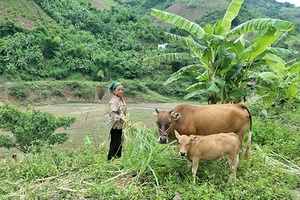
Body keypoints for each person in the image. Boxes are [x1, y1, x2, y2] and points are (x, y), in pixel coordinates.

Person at [107, 82, 127, 161]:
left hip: (120, 126)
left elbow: (124, 112)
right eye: (118, 89)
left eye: (122, 89)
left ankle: (118, 158)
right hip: (115, 126)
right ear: (114, 91)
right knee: (114, 143)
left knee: (120, 143)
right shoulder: (113, 101)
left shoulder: (121, 100)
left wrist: (126, 120)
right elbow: (113, 113)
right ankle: (110, 159)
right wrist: (121, 119)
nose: (121, 91)